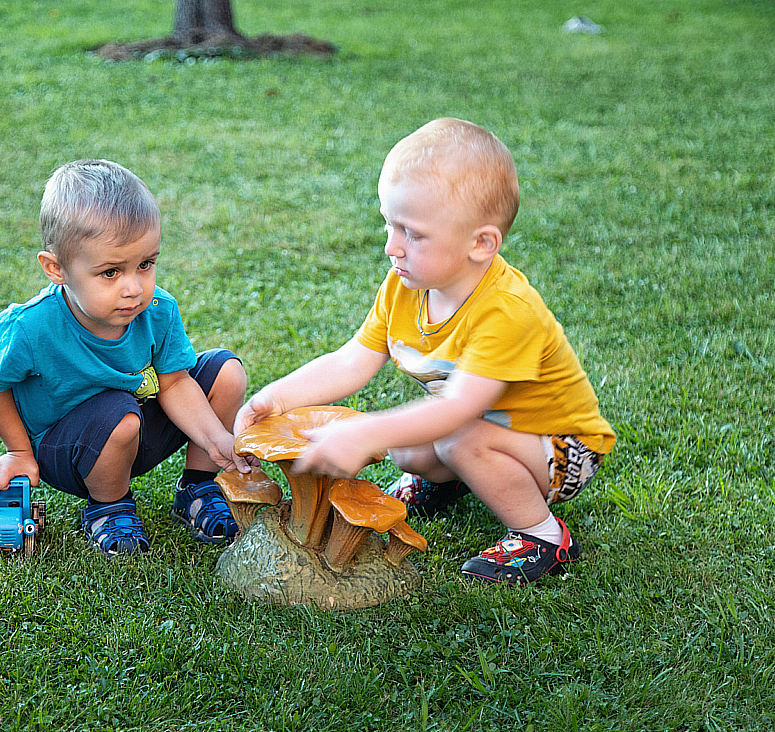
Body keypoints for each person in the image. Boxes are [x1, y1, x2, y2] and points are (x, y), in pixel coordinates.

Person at [234, 118, 615, 585]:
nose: (392, 247)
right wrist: (277, 397)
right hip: (489, 430)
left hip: (560, 447)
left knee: (454, 436)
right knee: (408, 448)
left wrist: (365, 433)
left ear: (481, 243)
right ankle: (445, 481)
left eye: (412, 233)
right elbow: (351, 360)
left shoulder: (507, 311)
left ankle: (541, 535)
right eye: (388, 225)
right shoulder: (405, 285)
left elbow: (459, 408)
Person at [0, 159, 251, 556]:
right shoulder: (31, 327)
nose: (134, 288)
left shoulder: (157, 310)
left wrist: (217, 440)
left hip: (132, 430)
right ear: (57, 269)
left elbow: (174, 383)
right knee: (118, 411)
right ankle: (108, 509)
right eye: (110, 272)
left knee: (226, 372)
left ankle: (199, 487)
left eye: (145, 264)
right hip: (67, 450)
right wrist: (19, 451)